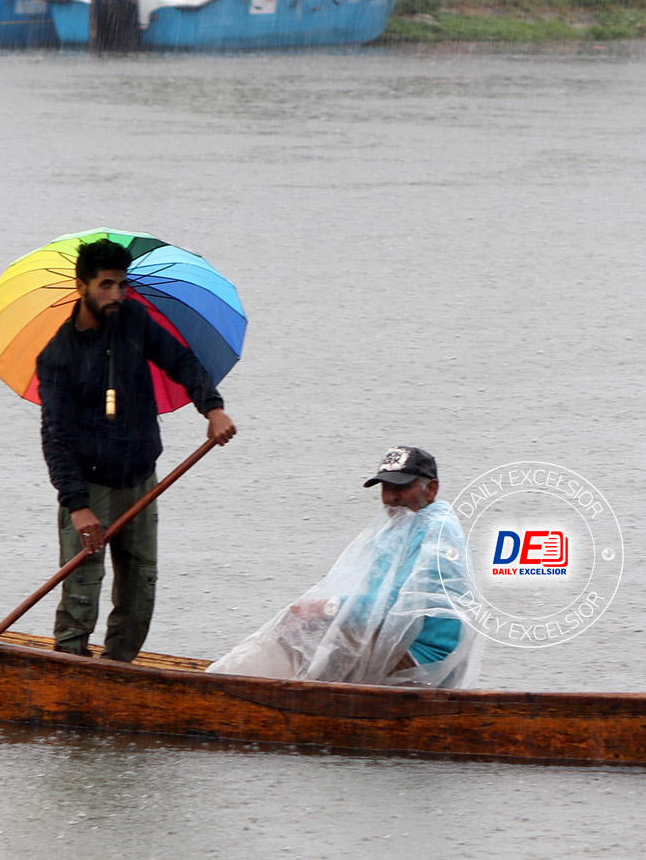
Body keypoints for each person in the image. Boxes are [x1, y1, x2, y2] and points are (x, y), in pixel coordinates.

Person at [37, 237, 237, 660]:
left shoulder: (134, 319)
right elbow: (56, 437)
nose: (116, 295)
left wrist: (212, 408)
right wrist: (77, 506)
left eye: (122, 284)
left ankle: (118, 669)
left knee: (141, 588)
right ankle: (68, 665)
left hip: (141, 481)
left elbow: (182, 361)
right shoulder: (58, 355)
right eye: (106, 285)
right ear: (81, 286)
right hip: (90, 489)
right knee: (81, 589)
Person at [206, 446, 481, 689]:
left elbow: (395, 604)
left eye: (401, 487)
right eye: (386, 488)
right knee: (303, 627)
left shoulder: (438, 534)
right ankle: (280, 693)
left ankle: (290, 700)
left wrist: (328, 608)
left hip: (427, 657)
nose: (391, 498)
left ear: (431, 489)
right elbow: (372, 595)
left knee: (325, 631)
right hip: (399, 642)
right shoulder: (403, 528)